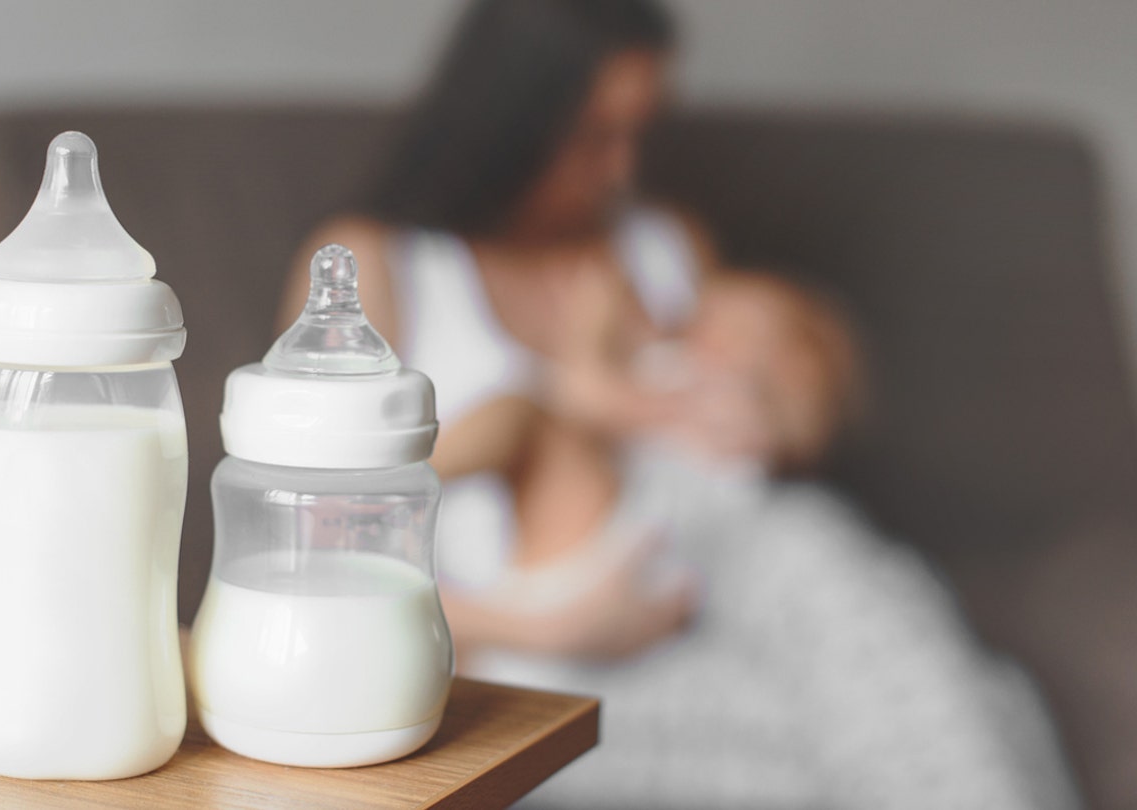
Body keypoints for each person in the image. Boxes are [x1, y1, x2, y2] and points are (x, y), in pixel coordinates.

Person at [279, 0, 1077, 806]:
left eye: (638, 131)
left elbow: (773, 413)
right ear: (511, 118)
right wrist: (553, 629)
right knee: (961, 716)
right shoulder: (374, 265)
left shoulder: (660, 244)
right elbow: (307, 553)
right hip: (527, 647)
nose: (622, 168)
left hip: (715, 593)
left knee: (907, 658)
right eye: (595, 135)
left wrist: (761, 410)